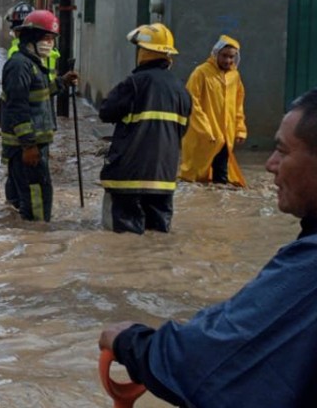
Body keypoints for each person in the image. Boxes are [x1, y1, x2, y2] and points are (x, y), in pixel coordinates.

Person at [99, 87, 317, 407]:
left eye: (283, 151)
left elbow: (210, 362)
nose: (270, 164)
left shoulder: (308, 267)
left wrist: (131, 342)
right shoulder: (193, 82)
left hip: (153, 171)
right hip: (170, 176)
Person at [99, 23, 192, 234]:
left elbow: (106, 111)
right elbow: (182, 131)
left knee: (122, 242)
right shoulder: (181, 90)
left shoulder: (134, 83)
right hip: (164, 179)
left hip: (127, 177)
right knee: (158, 239)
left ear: (144, 52)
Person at [0, 10, 77, 222]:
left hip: (32, 143)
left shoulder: (33, 64)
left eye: (51, 39)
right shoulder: (20, 66)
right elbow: (17, 107)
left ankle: (23, 238)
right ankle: (37, 243)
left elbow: (38, 94)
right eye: (47, 38)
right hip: (26, 146)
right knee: (38, 200)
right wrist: (28, 145)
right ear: (32, 38)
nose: (50, 44)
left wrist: (62, 83)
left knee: (26, 197)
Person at [179, 35, 247, 186]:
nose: (228, 61)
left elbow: (238, 105)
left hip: (224, 137)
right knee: (193, 176)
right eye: (224, 56)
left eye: (231, 57)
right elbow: (192, 103)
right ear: (215, 53)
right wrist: (205, 129)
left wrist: (240, 129)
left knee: (220, 177)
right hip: (202, 135)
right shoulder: (201, 73)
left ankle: (219, 203)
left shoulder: (234, 76)